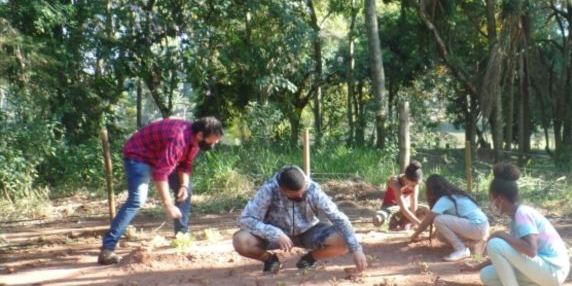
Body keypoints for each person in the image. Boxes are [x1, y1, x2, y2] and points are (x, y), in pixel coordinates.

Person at [98, 117, 223, 265]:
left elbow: (185, 164)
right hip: (138, 155)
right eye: (212, 141)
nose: (213, 145)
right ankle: (107, 249)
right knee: (136, 200)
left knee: (187, 188)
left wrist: (183, 185)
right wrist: (168, 204)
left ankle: (182, 236)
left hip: (160, 156)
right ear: (201, 135)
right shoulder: (179, 139)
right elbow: (160, 173)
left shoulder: (195, 141)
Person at [233, 165, 367, 274]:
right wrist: (274, 233)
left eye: (303, 191)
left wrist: (356, 249)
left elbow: (338, 217)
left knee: (344, 241)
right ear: (282, 189)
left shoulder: (312, 189)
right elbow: (245, 218)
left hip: (309, 230)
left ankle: (309, 259)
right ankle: (270, 260)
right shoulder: (269, 189)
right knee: (240, 240)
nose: (302, 195)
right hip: (275, 236)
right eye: (296, 195)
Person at [460, 164, 570, 286]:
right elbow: (506, 254)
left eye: (492, 200)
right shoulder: (515, 220)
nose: (492, 204)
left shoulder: (523, 213)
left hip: (553, 270)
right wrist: (476, 267)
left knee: (495, 243)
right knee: (487, 275)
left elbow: (531, 250)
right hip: (545, 270)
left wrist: (501, 235)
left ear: (500, 199)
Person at [409, 174, 489, 262]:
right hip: (482, 227)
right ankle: (472, 244)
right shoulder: (455, 195)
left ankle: (461, 249)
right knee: (440, 235)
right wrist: (432, 235)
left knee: (438, 220)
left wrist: (415, 235)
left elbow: (429, 219)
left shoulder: (445, 199)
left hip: (476, 227)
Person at [373, 160, 424, 230]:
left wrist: (414, 222)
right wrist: (420, 224)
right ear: (406, 179)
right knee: (377, 219)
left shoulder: (415, 183)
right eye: (412, 185)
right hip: (390, 208)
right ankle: (392, 221)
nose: (414, 187)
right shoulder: (395, 182)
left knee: (425, 211)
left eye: (416, 185)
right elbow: (404, 209)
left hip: (406, 208)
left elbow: (413, 203)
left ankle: (404, 222)